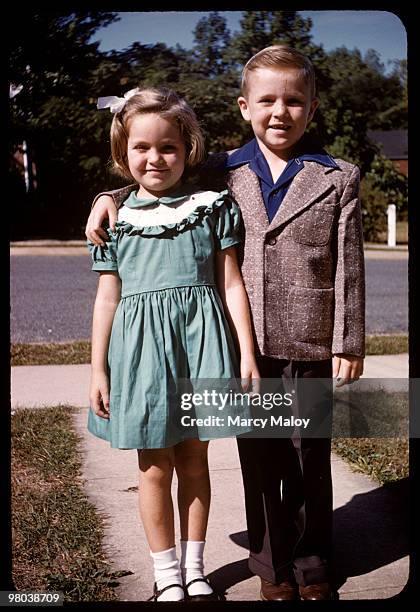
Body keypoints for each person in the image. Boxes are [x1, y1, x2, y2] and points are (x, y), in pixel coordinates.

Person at [85, 46, 365, 601]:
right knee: (258, 453)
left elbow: (351, 267)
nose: (279, 112)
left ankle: (312, 560)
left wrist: (348, 339)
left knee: (310, 453)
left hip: (309, 337)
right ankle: (271, 564)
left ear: (311, 109)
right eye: (266, 101)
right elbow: (156, 174)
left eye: (293, 101)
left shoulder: (338, 177)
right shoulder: (222, 170)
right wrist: (106, 196)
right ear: (244, 107)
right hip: (239, 340)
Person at [87, 86, 260, 602]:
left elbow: (232, 284)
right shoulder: (114, 221)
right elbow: (106, 300)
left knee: (194, 462)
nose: (155, 157)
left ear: (187, 150)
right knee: (153, 465)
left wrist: (246, 353)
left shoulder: (211, 208)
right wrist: (97, 369)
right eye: (141, 147)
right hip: (140, 356)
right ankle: (165, 573)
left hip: (201, 346)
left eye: (168, 147)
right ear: (123, 155)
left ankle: (196, 565)